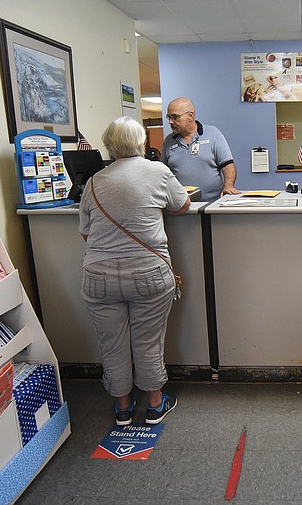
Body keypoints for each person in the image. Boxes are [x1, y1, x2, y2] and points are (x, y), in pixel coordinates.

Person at [79, 116, 190, 426]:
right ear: (142, 143)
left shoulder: (95, 181)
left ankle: (123, 407)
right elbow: (182, 205)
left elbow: (86, 233)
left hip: (98, 276)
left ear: (109, 146)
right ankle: (155, 404)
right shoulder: (158, 171)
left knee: (110, 342)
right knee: (147, 340)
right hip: (148, 273)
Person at [162, 97, 241, 201]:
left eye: (175, 117)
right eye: (169, 117)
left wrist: (229, 186)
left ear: (190, 116)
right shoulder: (168, 141)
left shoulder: (213, 134)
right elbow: (163, 173)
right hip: (181, 205)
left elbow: (228, 165)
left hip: (212, 204)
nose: (170, 122)